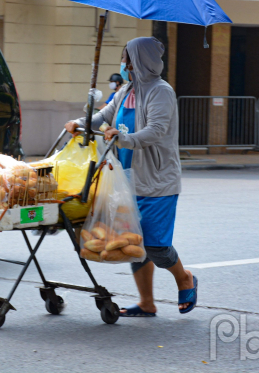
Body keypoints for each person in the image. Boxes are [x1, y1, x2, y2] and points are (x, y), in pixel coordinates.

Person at [64, 37, 197, 317]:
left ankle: (184, 277)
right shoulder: (127, 90)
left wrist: (124, 138)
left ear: (139, 61)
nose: (123, 64)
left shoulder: (161, 92)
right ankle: (147, 302)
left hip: (157, 180)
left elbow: (156, 130)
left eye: (126, 59)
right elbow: (105, 115)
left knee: (156, 246)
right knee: (133, 242)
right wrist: (80, 123)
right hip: (126, 178)